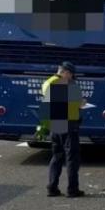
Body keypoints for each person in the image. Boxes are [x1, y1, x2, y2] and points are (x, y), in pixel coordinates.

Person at [42, 62, 84, 198]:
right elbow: (77, 103)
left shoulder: (47, 83)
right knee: (72, 157)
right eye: (70, 74)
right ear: (65, 72)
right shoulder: (65, 83)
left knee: (57, 156)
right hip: (69, 124)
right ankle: (72, 189)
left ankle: (52, 187)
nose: (71, 77)